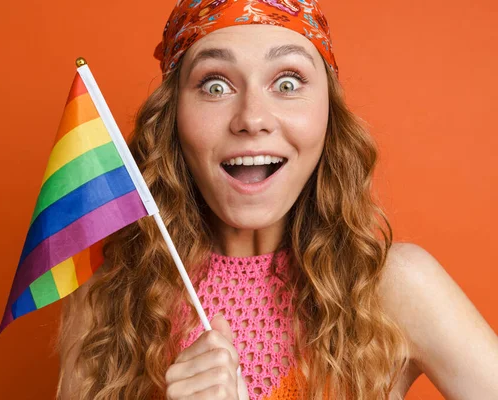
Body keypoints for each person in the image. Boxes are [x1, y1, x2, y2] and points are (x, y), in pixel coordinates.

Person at [57, 1, 498, 399]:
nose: (252, 118)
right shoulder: (110, 299)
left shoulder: (394, 288)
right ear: (172, 117)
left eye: (287, 83)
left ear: (329, 113)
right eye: (215, 86)